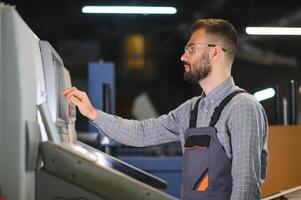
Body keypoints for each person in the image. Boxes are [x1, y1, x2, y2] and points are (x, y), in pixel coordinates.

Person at [62, 19, 268, 200]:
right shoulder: (190, 110)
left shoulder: (242, 107)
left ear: (214, 52)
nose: (183, 57)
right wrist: (92, 113)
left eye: (191, 49)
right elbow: (142, 133)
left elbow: (246, 187)